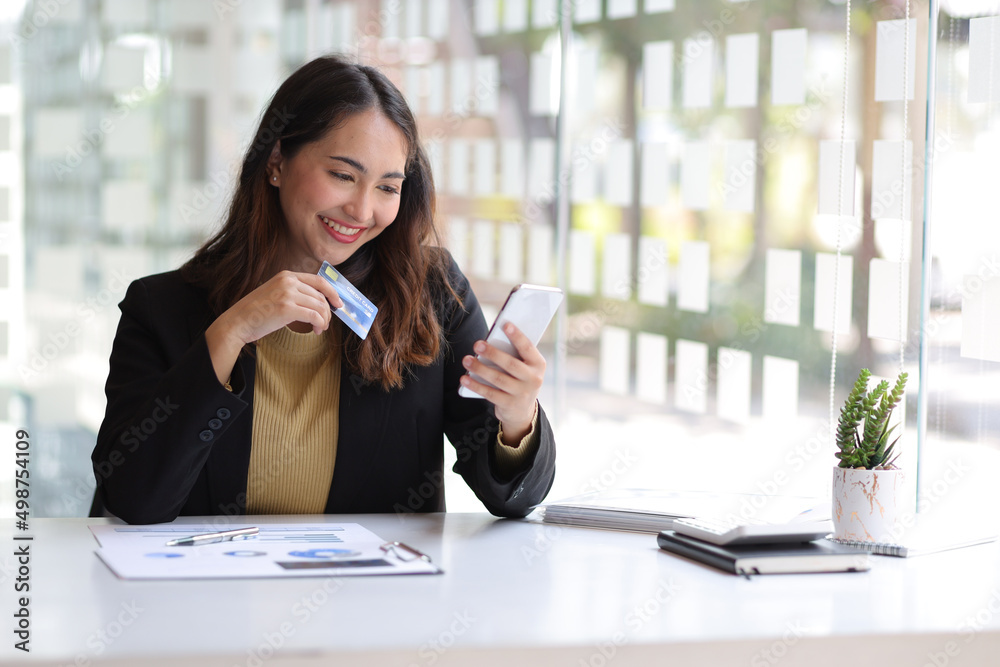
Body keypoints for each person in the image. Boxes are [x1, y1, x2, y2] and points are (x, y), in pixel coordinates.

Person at [91, 55, 556, 524]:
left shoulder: (431, 293)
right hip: (212, 593)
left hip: (367, 595)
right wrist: (231, 332)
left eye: (387, 188)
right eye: (342, 176)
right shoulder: (160, 308)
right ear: (276, 162)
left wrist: (517, 418)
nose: (361, 210)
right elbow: (132, 498)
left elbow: (510, 500)